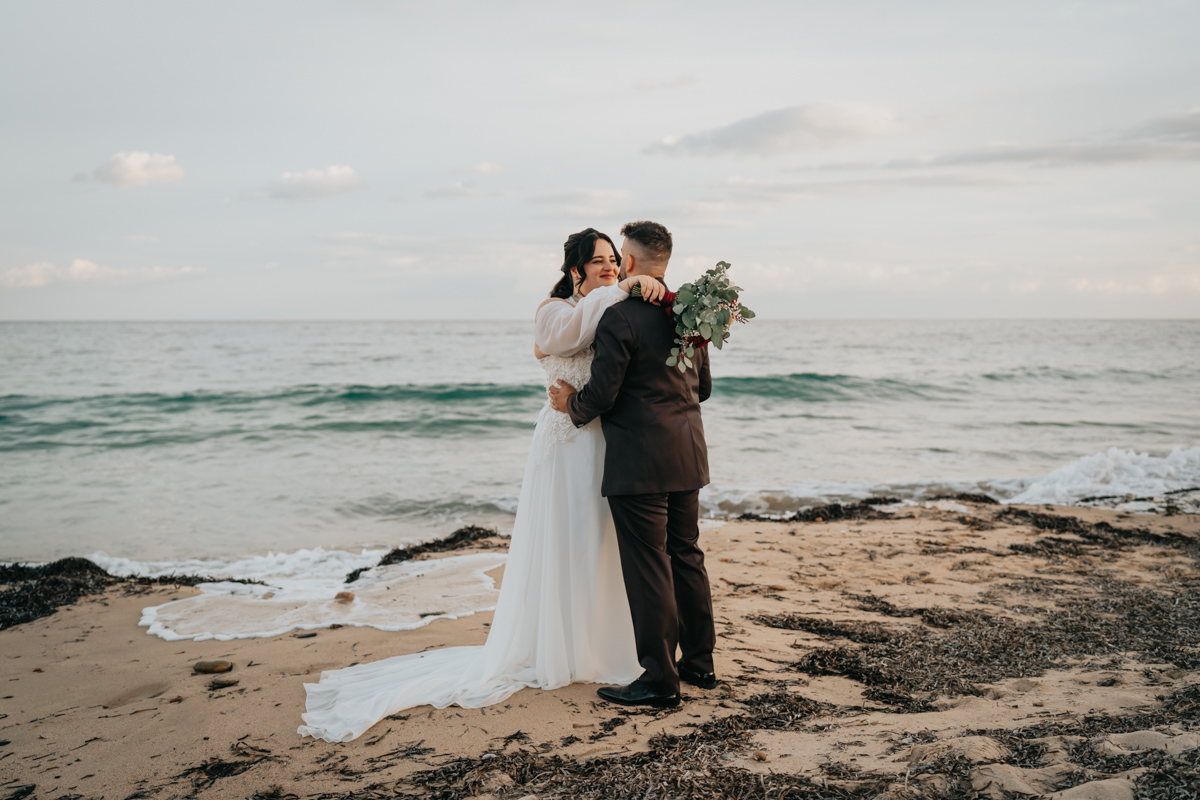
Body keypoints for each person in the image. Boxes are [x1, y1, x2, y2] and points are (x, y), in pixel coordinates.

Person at [297, 228, 666, 743]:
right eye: (598, 262)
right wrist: (630, 286)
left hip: (607, 441)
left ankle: (609, 647)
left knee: (603, 544)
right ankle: (561, 647)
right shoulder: (555, 310)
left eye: (613, 260)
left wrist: (647, 288)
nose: (608, 268)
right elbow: (572, 337)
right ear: (575, 268)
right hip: (565, 444)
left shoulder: (618, 303)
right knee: (567, 540)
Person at [549, 220, 716, 708]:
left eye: (619, 255)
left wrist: (569, 406)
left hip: (641, 461)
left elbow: (601, 395)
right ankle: (700, 665)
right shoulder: (688, 315)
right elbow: (702, 388)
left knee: (648, 567)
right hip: (688, 450)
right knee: (686, 554)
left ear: (632, 263)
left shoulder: (619, 319)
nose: (616, 263)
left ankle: (660, 681)